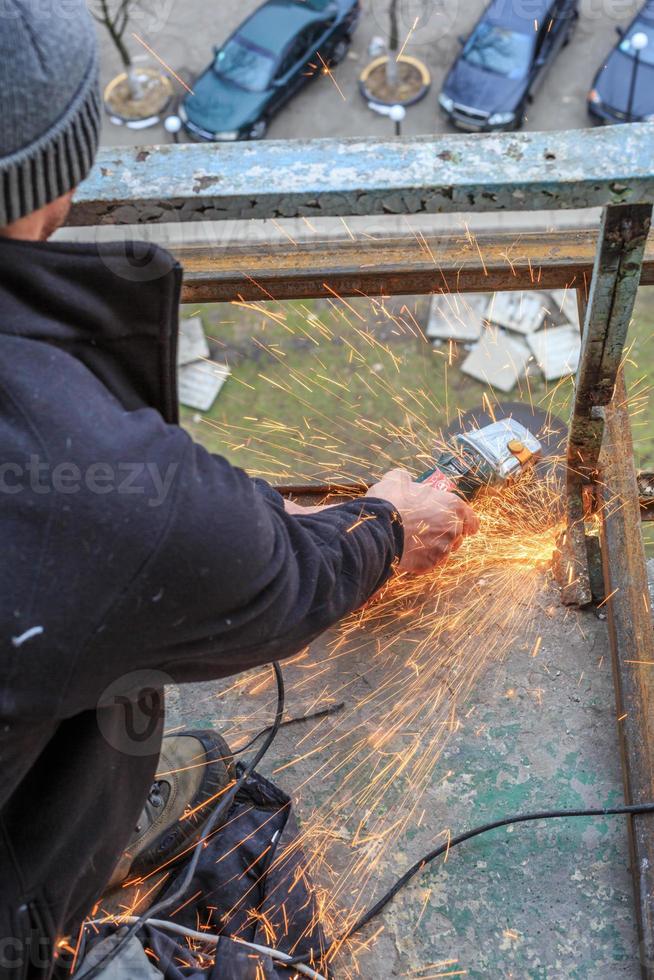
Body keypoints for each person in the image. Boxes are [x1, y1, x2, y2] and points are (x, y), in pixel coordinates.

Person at [0, 2, 479, 977]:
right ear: (59, 173)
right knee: (239, 865)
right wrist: (387, 527)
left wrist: (226, 530)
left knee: (201, 778)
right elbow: (278, 581)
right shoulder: (85, 478)